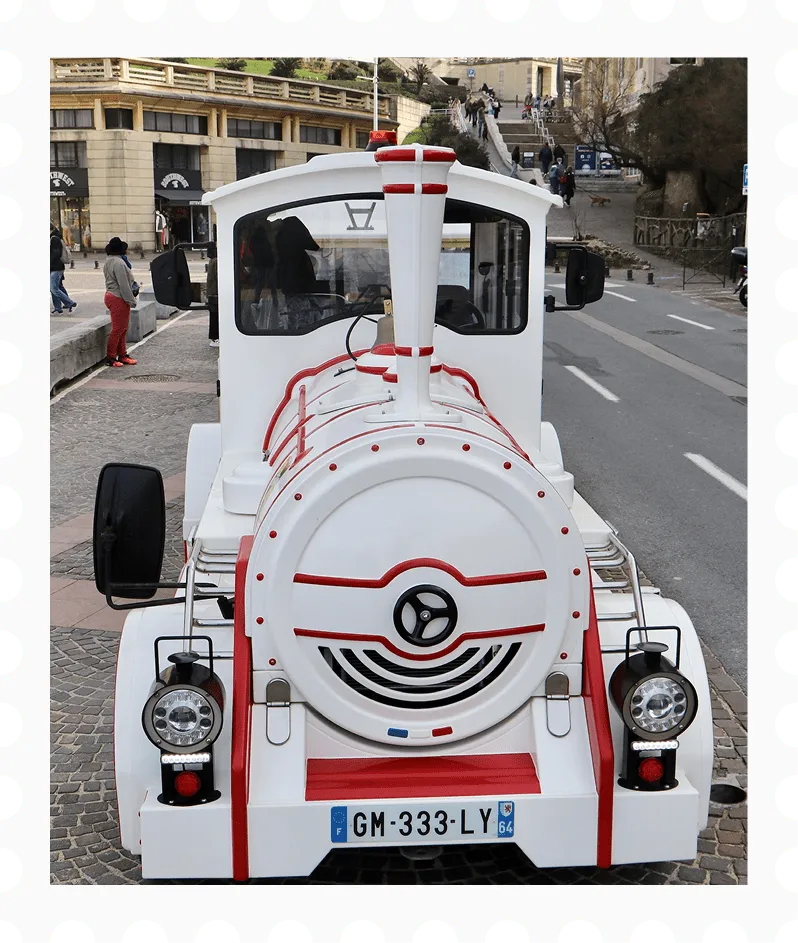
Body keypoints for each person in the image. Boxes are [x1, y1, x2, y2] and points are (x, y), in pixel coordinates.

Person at [103, 237, 138, 367]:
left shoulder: (109, 261)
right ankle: (111, 357)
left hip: (111, 295)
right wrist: (131, 300)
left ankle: (122, 355)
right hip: (118, 297)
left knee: (122, 328)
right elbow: (124, 285)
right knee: (118, 329)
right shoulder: (119, 263)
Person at [50, 224, 77, 314]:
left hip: (56, 267)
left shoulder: (54, 239)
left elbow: (56, 254)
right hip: (55, 267)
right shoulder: (54, 237)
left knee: (54, 288)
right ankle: (58, 307)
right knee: (55, 287)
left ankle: (70, 303)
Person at [207, 243, 219, 348]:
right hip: (215, 292)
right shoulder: (216, 261)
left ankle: (214, 337)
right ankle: (215, 337)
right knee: (215, 315)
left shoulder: (212, 260)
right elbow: (218, 276)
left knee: (214, 315)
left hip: (212, 292)